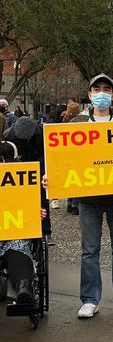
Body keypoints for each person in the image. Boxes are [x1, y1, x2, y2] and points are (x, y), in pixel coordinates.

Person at [69, 73, 113, 318]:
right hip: (88, 198)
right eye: (97, 89)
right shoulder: (76, 124)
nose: (102, 93)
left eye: (106, 90)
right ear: (89, 95)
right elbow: (65, 159)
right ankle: (90, 300)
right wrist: (53, 178)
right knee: (89, 250)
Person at [0, 140, 39, 305]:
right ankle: (22, 285)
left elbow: (30, 205)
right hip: (12, 234)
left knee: (17, 249)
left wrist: (37, 212)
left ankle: (23, 287)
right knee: (18, 248)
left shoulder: (23, 179)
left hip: (14, 232)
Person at [3, 116, 53, 243]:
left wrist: (43, 171)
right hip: (19, 169)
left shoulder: (43, 133)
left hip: (39, 166)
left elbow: (48, 154)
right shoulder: (8, 135)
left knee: (43, 199)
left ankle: (45, 231)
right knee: (20, 200)